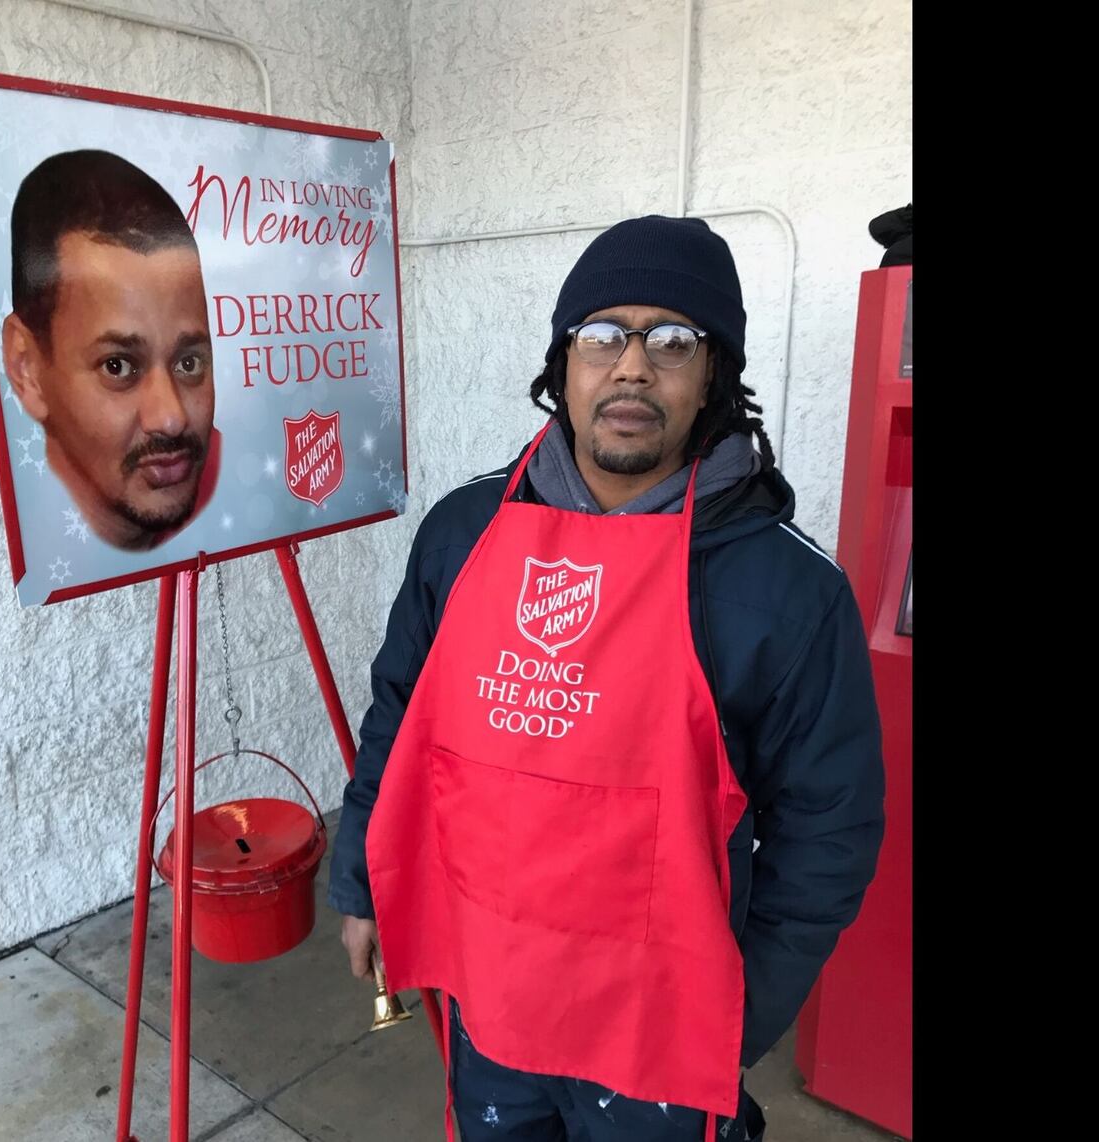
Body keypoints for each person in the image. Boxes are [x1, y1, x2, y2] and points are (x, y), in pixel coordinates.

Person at [328, 216, 886, 1142]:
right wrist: (365, 881)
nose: (632, 366)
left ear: (714, 377)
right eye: (602, 336)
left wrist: (741, 1013)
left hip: (661, 1032)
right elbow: (401, 718)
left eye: (672, 340)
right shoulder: (463, 534)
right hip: (491, 998)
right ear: (565, 366)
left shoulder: (787, 591)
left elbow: (830, 829)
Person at [2, 149, 220, 552]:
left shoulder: (226, 478)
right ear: (25, 367)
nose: (171, 418)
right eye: (118, 366)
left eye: (188, 362)